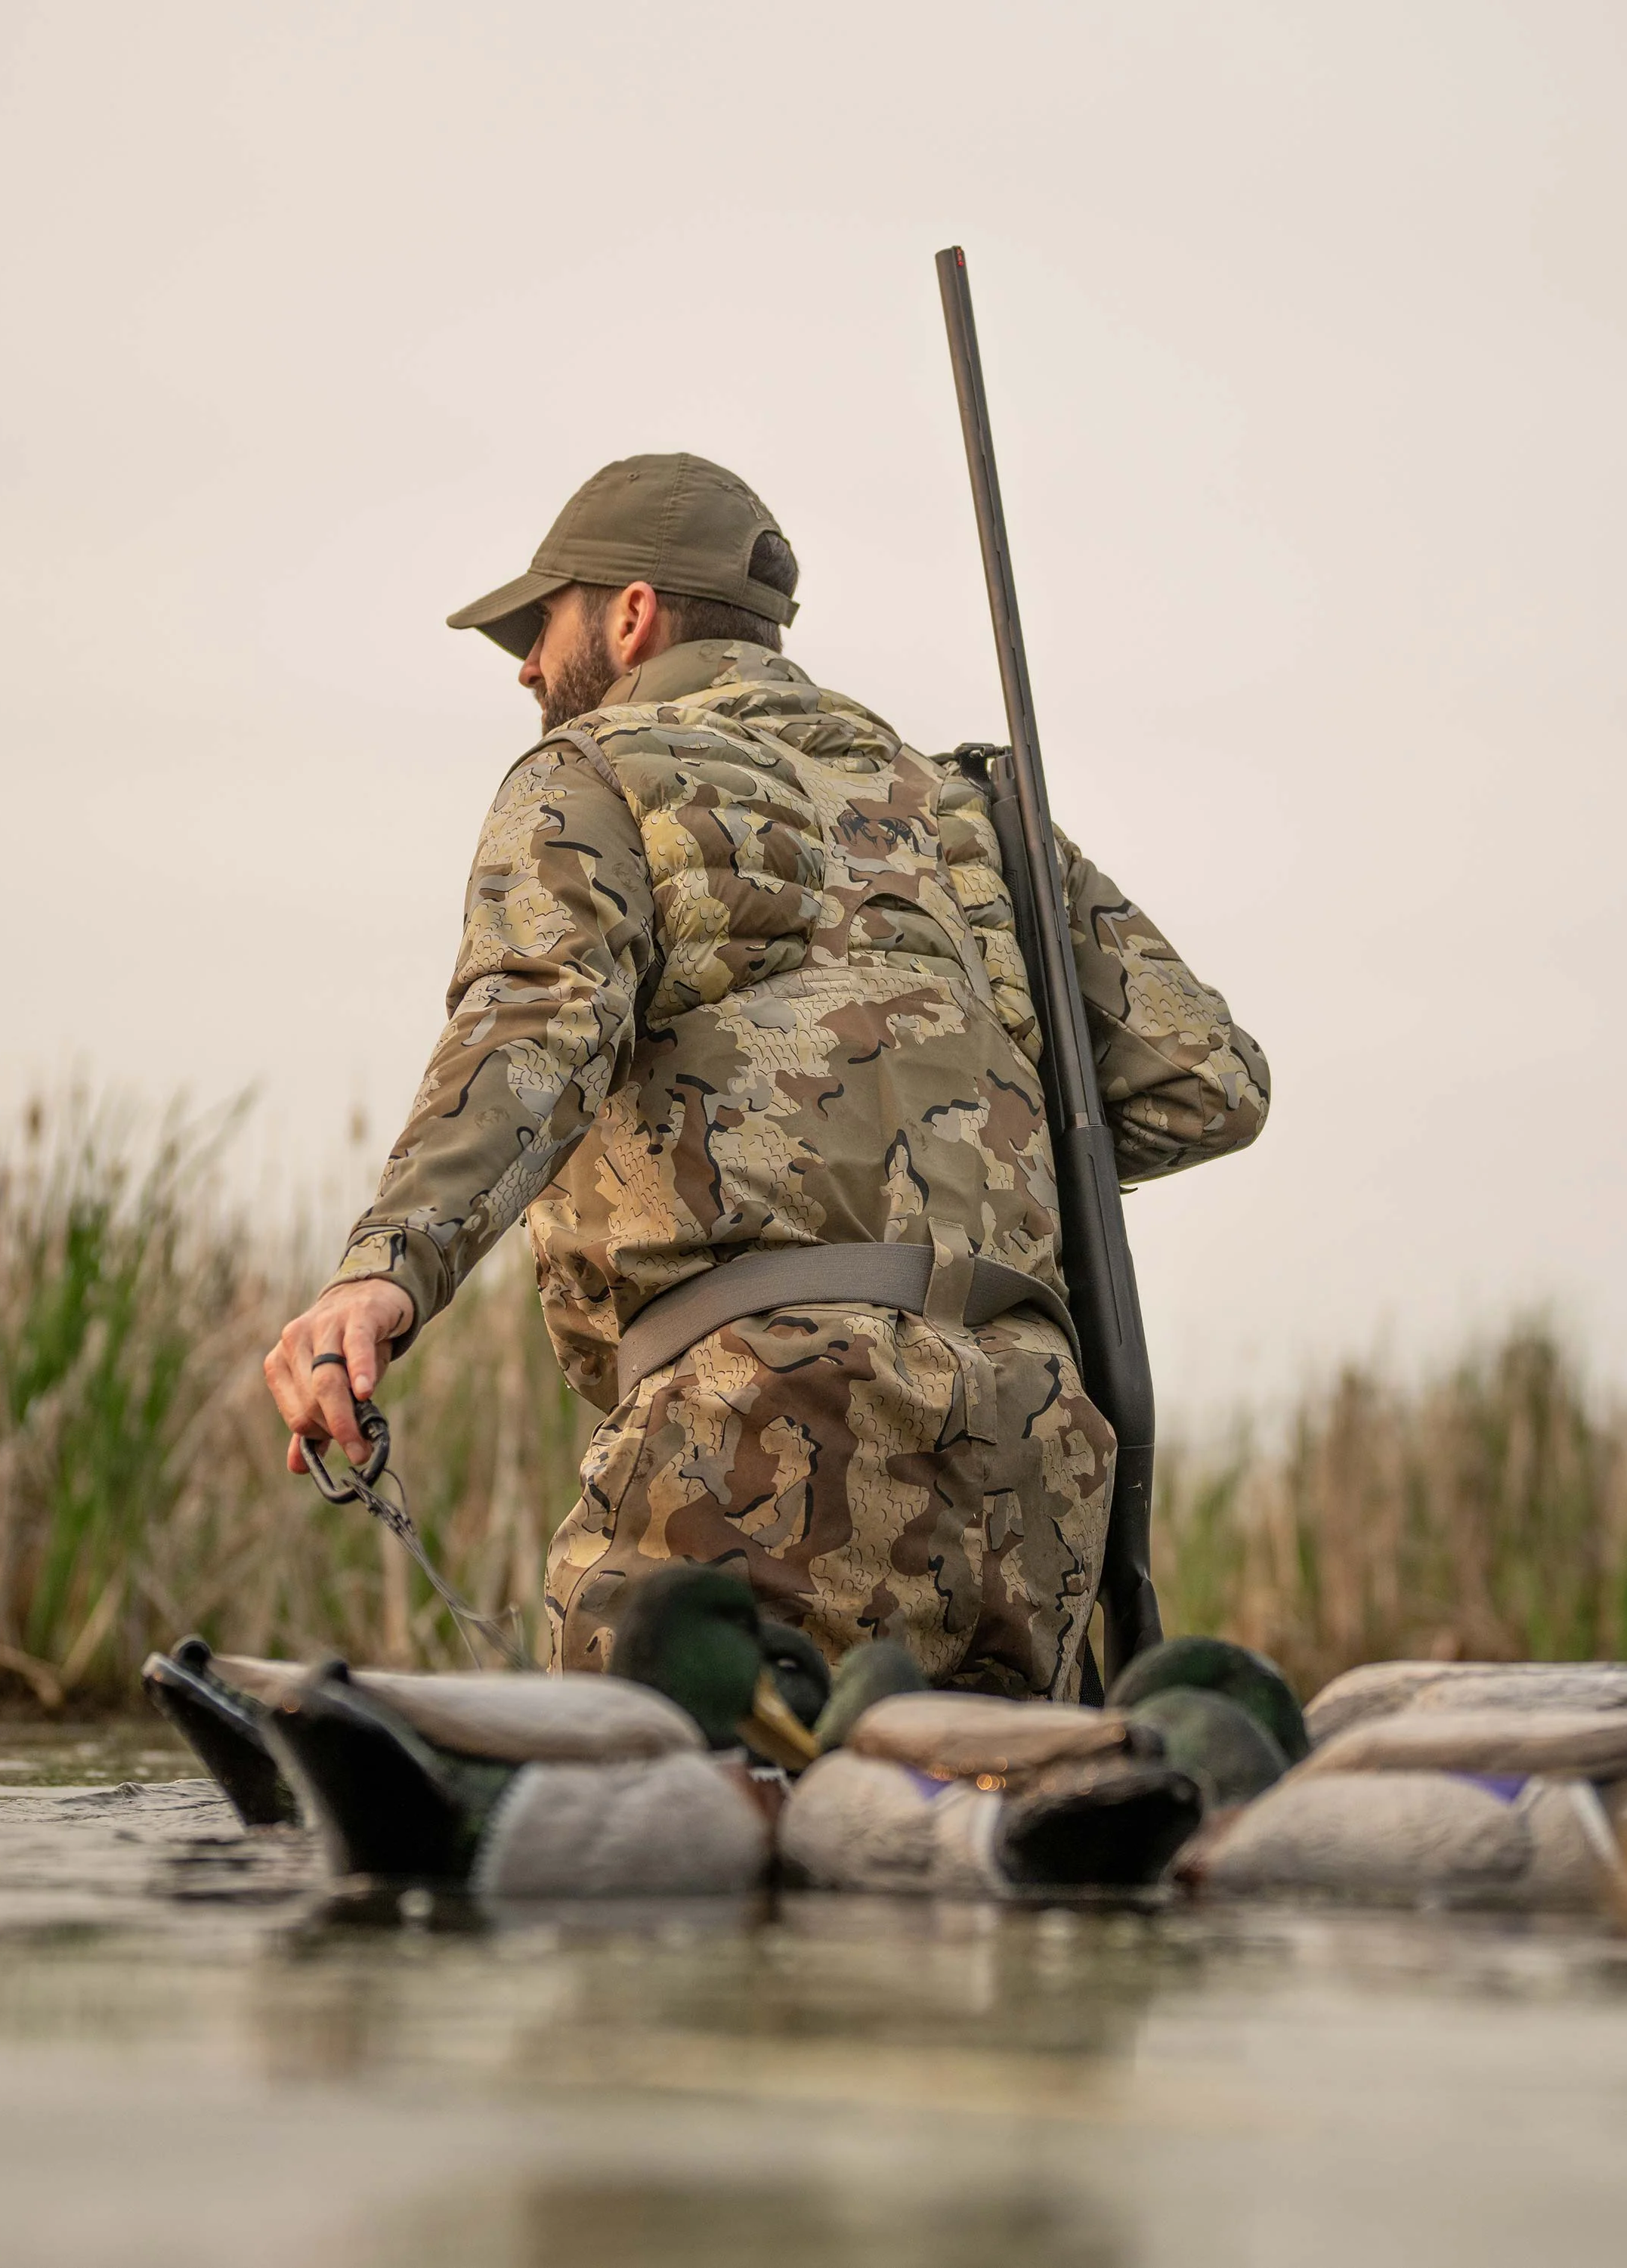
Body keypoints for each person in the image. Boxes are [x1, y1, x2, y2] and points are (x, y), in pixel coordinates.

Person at [264, 453, 1268, 1700]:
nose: (526, 665)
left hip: (757, 1426)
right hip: (1037, 1456)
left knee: (653, 1839)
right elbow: (1210, 1080)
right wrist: (968, 1123)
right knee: (950, 1848)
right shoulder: (974, 814)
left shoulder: (592, 769)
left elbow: (537, 1025)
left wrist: (384, 1273)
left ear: (631, 614)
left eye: (541, 624)